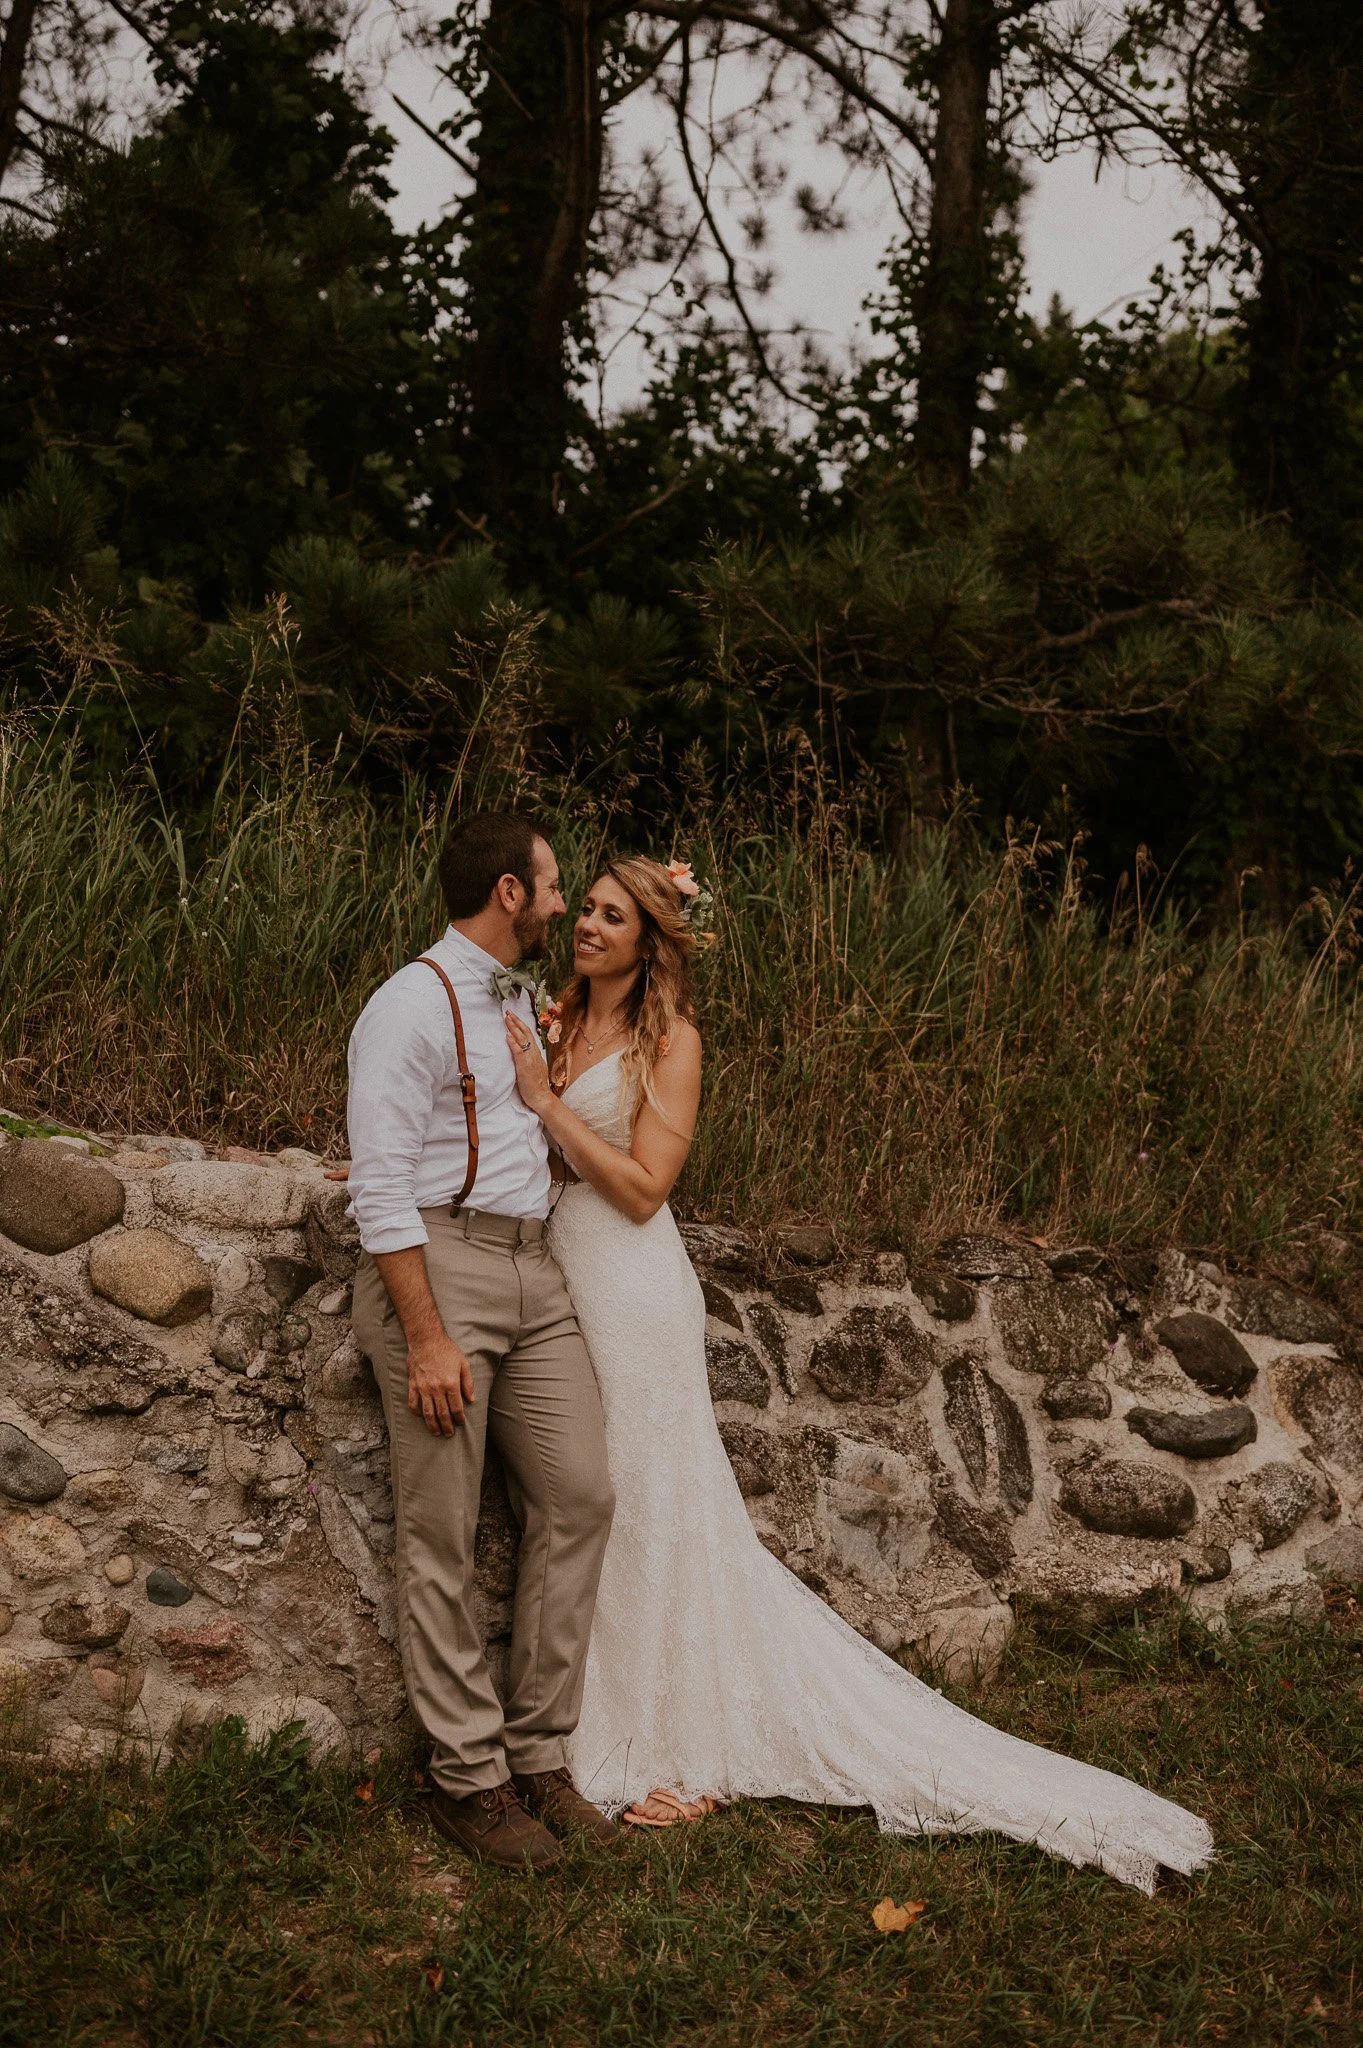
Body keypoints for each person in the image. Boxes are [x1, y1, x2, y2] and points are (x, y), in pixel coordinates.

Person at [502, 854, 1215, 1893]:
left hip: (635, 1290)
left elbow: (649, 1189)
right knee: (592, 1499)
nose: (590, 927)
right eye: (590, 911)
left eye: (612, 916)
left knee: (653, 1499)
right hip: (566, 1278)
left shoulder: (675, 1042)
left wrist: (546, 1104)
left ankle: (654, 1736)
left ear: (651, 938)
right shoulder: (562, 1019)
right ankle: (578, 1717)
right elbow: (537, 1151)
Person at [347, 810, 618, 1872]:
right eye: (553, 887)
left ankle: (541, 1750)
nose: (562, 903)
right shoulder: (406, 1004)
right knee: (443, 1531)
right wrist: (423, 1335)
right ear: (509, 892)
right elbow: (381, 1181)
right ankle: (468, 1781)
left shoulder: (513, 991)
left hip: (533, 1268)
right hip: (442, 1273)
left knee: (581, 1492)